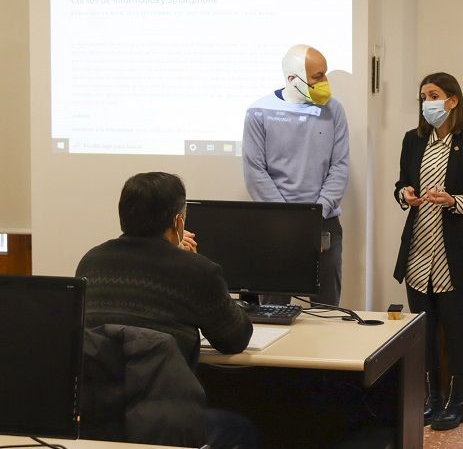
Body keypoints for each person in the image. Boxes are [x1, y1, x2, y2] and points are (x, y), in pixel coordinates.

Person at [76, 172, 259, 448]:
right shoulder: (197, 270)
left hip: (97, 420)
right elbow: (235, 338)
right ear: (178, 221)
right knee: (241, 429)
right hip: (164, 424)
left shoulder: (91, 262)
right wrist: (194, 264)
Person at [393, 72, 463, 431]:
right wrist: (405, 193)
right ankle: (431, 399)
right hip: (419, 250)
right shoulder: (412, 140)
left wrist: (454, 201)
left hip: (455, 254)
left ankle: (457, 402)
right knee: (423, 330)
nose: (427, 103)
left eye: (434, 95)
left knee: (455, 329)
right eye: (423, 96)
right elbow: (402, 183)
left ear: (452, 101)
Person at [243, 44, 349, 306]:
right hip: (276, 225)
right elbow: (255, 171)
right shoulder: (259, 112)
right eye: (317, 76)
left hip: (324, 224)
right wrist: (289, 218)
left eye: (325, 74)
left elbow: (340, 166)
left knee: (327, 311)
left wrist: (316, 214)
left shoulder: (334, 110)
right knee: (272, 309)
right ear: (293, 79)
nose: (324, 82)